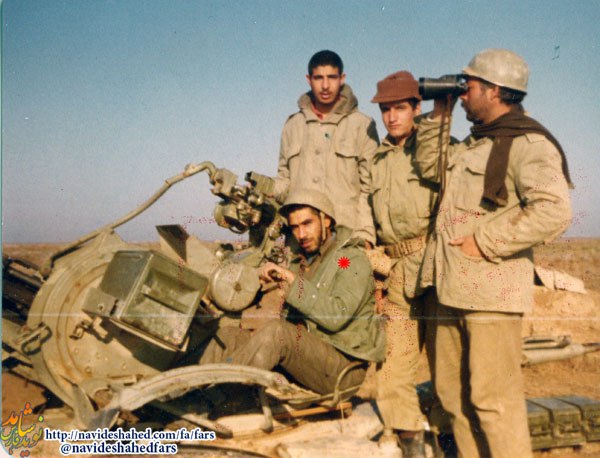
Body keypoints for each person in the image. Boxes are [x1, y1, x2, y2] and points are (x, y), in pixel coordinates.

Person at [414, 48, 572, 457]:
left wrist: (484, 241)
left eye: (469, 85)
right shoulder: (475, 144)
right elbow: (430, 167)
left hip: (491, 296)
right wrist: (439, 114)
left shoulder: (529, 144)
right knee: (453, 398)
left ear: (495, 90)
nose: (463, 92)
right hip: (450, 290)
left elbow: (554, 211)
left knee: (494, 403)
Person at [200, 189, 385, 395]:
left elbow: (336, 316)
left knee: (278, 332)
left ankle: (215, 397)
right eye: (295, 227)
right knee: (229, 336)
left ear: (326, 220)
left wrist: (293, 282)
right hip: (309, 359)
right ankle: (190, 389)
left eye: (307, 223)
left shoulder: (348, 260)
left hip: (342, 370)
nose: (301, 234)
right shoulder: (305, 262)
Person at [368, 71, 439, 458]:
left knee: (448, 368)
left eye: (400, 108)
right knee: (393, 370)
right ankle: (413, 445)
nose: (392, 117)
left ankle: (449, 442)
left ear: (416, 107)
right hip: (395, 273)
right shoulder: (375, 161)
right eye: (385, 110)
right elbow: (364, 213)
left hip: (437, 268)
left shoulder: (437, 150)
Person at [272, 50, 379, 246]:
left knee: (346, 267)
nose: (325, 85)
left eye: (332, 77)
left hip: (346, 239)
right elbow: (284, 180)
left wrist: (364, 235)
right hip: (301, 242)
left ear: (342, 78)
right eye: (318, 78)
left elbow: (369, 188)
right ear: (308, 79)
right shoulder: (293, 126)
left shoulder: (362, 125)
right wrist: (263, 188)